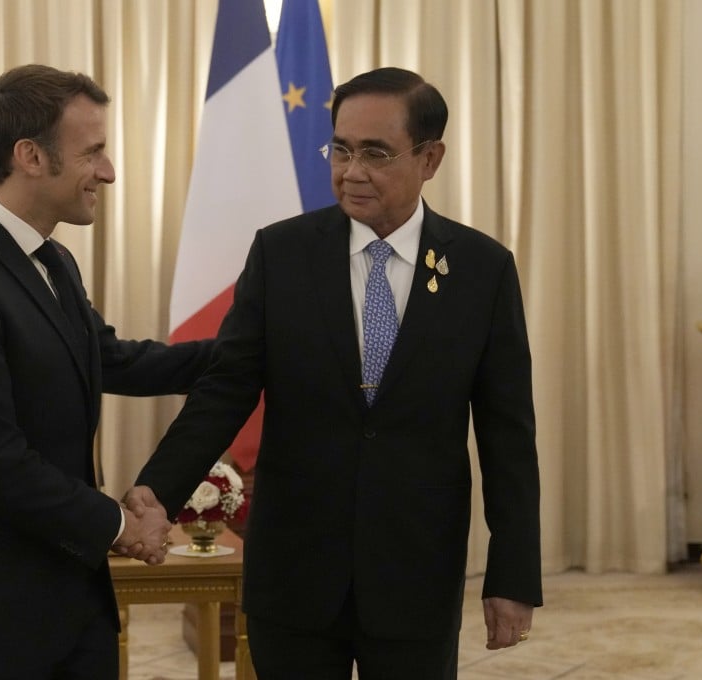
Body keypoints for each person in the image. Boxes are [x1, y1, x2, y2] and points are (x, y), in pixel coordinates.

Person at [128, 67, 542, 679]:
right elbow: (224, 391)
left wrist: (513, 576)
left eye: (376, 153)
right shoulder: (281, 254)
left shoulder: (482, 269)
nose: (351, 171)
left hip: (415, 575)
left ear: (430, 158)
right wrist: (157, 495)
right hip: (294, 572)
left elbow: (508, 436)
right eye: (341, 149)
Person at [0, 64, 214, 680]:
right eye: (93, 152)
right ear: (31, 157)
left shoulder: (53, 259)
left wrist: (246, 353)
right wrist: (119, 525)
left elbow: (111, 358)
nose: (108, 171)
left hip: (73, 599)